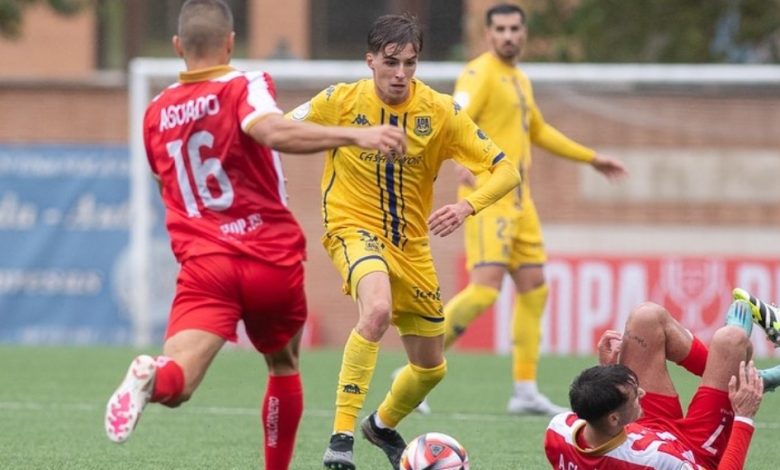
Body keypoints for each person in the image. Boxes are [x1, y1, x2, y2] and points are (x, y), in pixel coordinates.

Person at [103, 1, 406, 469]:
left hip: (205, 263)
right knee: (282, 365)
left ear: (178, 46)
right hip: (268, 255)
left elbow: (166, 184)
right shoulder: (244, 83)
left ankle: (150, 376)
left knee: (178, 382)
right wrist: (354, 135)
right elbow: (270, 130)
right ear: (230, 42)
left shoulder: (155, 112)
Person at [287, 13, 521, 470]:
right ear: (369, 60)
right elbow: (281, 128)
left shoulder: (440, 111)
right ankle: (340, 440)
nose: (400, 74)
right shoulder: (339, 99)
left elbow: (506, 170)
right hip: (352, 229)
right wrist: (348, 136)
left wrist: (466, 206)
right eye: (390, 63)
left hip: (411, 246)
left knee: (432, 367)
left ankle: (382, 425)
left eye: (410, 64)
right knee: (375, 311)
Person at [439, 3, 628, 416]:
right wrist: (461, 162)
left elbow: (537, 130)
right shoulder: (478, 73)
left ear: (524, 34)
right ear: (488, 35)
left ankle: (524, 389)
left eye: (515, 29)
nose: (508, 36)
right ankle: (421, 363)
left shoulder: (520, 79)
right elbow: (455, 118)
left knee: (534, 288)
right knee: (485, 289)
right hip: (489, 198)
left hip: (522, 204)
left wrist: (591, 158)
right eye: (501, 29)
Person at [544, 287, 780, 469]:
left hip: (639, 429)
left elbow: (595, 412)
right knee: (730, 340)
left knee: (646, 318)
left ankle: (749, 379)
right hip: (693, 451)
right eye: (635, 397)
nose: (642, 393)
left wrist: (606, 373)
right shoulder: (657, 462)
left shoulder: (558, 429)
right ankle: (743, 376)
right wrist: (743, 418)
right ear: (614, 418)